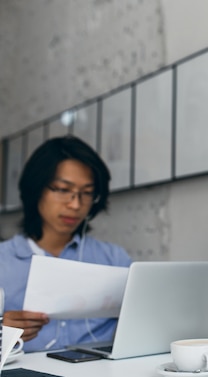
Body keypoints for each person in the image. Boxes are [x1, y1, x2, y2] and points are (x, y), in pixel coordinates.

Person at [0, 135, 132, 352]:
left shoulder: (115, 260)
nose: (75, 204)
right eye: (62, 189)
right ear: (36, 189)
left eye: (87, 193)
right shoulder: (4, 262)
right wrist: (1, 332)